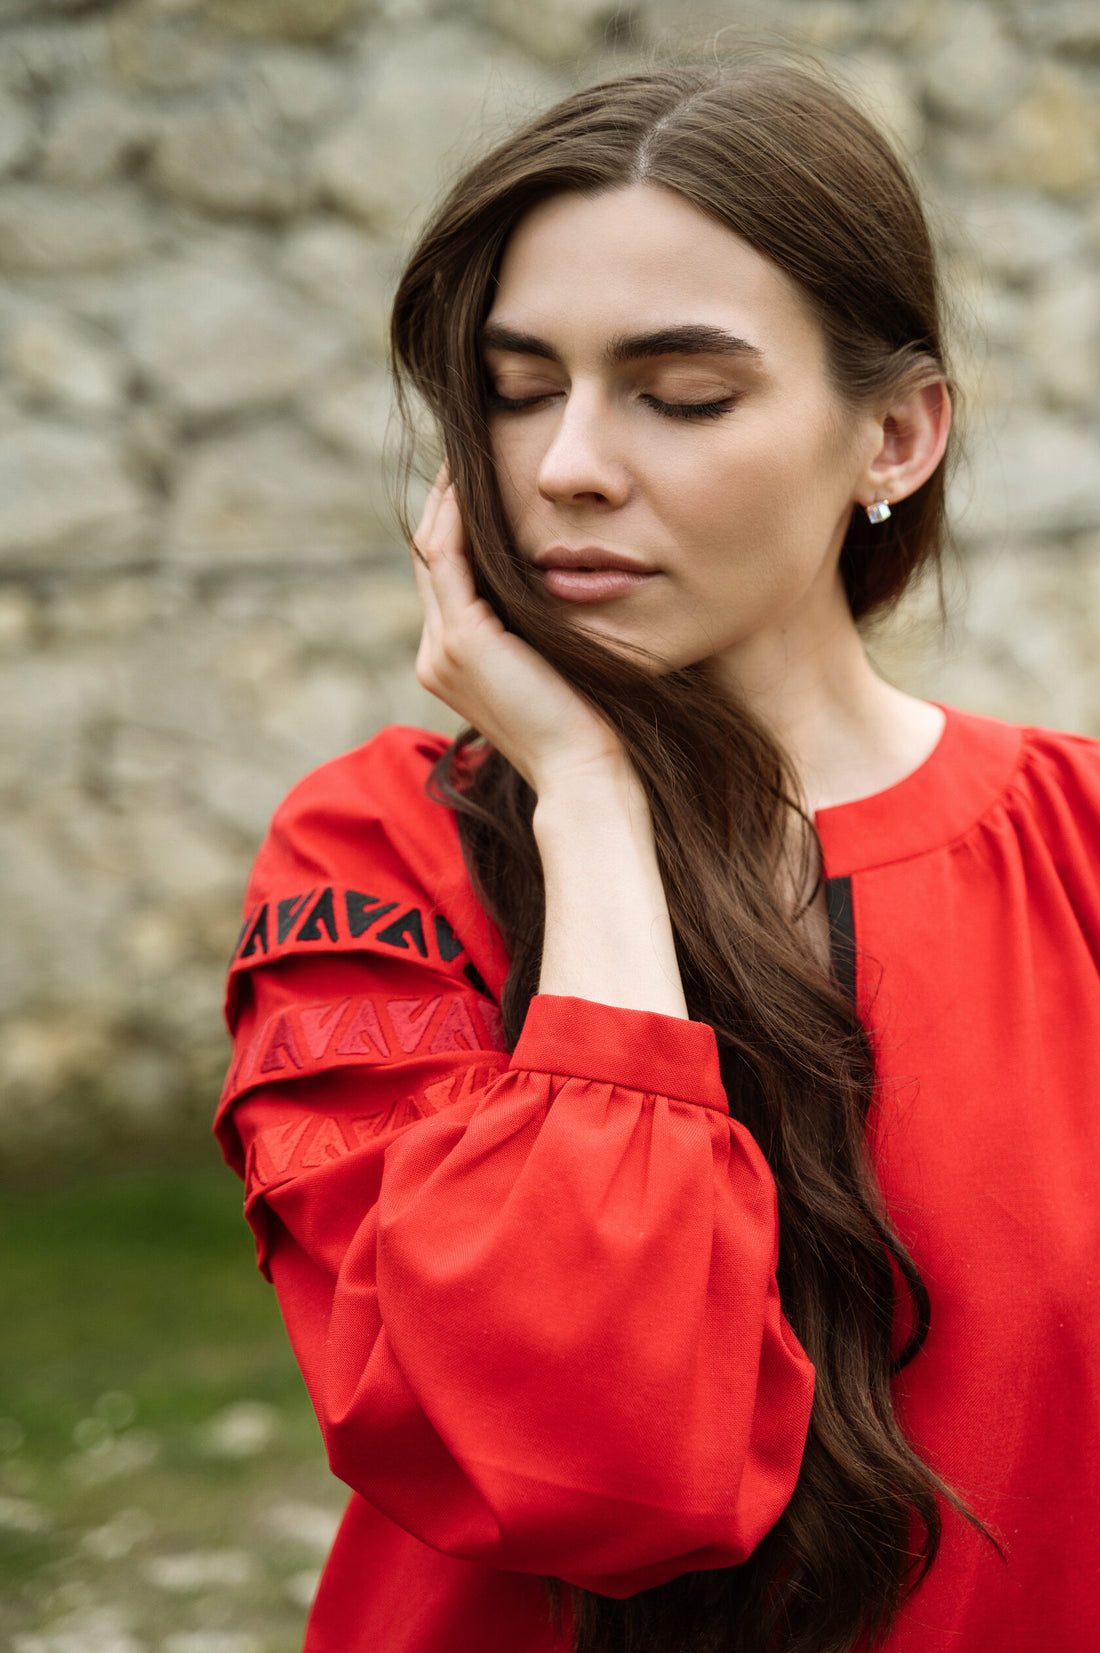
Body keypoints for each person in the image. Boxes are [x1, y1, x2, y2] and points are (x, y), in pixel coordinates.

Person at [215, 59, 1100, 1653]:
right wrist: (590, 801)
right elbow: (599, 1468)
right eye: (516, 387)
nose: (567, 467)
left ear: (893, 434)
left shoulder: (1080, 851)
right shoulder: (381, 856)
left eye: (680, 394)